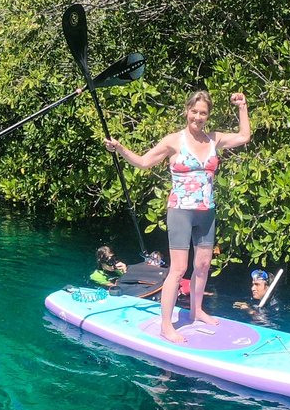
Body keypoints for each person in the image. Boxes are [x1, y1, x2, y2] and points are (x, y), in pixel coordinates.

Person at [104, 90, 250, 343]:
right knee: (179, 268)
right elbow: (143, 162)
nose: (198, 116)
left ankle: (196, 310)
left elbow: (244, 136)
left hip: (207, 211)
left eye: (203, 113)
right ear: (187, 111)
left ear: (208, 115)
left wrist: (242, 107)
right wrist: (120, 148)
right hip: (180, 211)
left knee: (203, 265)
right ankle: (166, 325)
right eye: (194, 111)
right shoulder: (174, 141)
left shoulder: (214, 139)